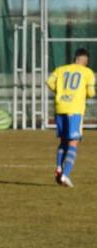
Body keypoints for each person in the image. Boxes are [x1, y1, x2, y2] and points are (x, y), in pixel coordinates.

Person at [47, 48, 96, 187]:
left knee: (63, 141)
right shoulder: (88, 72)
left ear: (75, 58)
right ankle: (65, 175)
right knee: (73, 142)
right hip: (74, 109)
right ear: (85, 60)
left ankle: (58, 168)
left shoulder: (60, 69)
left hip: (60, 107)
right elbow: (91, 93)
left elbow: (49, 82)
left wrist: (61, 92)